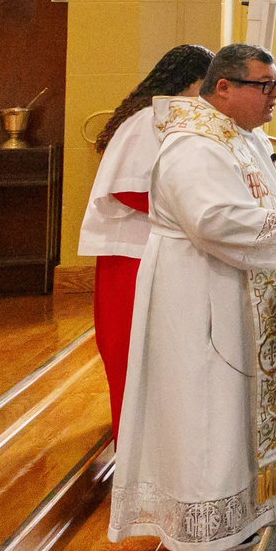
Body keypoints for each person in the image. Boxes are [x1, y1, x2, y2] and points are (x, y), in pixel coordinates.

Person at [107, 44, 276, 551]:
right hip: (200, 296)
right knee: (209, 410)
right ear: (223, 88)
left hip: (243, 294)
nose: (275, 95)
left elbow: (273, 199)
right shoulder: (192, 145)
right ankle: (203, 534)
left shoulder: (243, 138)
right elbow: (212, 222)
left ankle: (245, 514)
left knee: (237, 410)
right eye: (265, 85)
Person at [75, 43, 213, 438]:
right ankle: (131, 440)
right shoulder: (143, 124)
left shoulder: (172, 120)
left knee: (157, 358)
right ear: (188, 81)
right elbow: (126, 189)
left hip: (156, 252)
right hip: (130, 258)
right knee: (129, 354)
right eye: (204, 86)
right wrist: (190, 211)